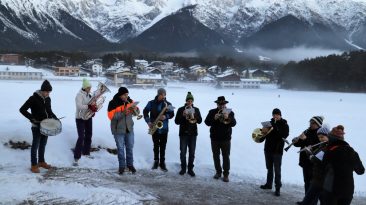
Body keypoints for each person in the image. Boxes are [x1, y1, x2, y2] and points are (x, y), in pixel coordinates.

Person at [19, 80, 58, 173]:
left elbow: (49, 111)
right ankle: (33, 165)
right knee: (35, 146)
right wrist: (32, 118)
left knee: (43, 145)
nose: (48, 94)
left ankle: (41, 162)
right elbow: (22, 109)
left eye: (49, 92)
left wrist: (55, 118)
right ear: (42, 90)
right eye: (46, 92)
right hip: (36, 126)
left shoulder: (48, 99)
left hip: (46, 126)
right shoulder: (33, 98)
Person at [322, 125, 364, 205]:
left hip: (331, 189)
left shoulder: (330, 151)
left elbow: (323, 167)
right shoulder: (352, 152)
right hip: (347, 191)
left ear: (331, 138)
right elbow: (361, 171)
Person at [107, 87, 139, 175]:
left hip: (129, 129)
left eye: (127, 94)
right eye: (125, 95)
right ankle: (121, 166)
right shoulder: (112, 103)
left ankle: (130, 165)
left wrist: (136, 109)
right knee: (120, 149)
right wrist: (122, 113)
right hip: (118, 130)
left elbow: (137, 113)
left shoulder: (130, 101)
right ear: (120, 95)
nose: (126, 96)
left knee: (130, 147)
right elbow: (111, 117)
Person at [204, 96, 236, 182]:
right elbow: (207, 122)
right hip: (214, 138)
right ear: (217, 104)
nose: (221, 105)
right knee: (216, 156)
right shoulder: (212, 112)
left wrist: (227, 117)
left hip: (226, 139)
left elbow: (233, 123)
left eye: (223, 104)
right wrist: (214, 118)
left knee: (226, 157)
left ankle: (226, 174)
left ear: (225, 104)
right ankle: (218, 172)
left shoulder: (230, 112)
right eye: (219, 104)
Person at [259, 108, 289, 196]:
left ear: (280, 115)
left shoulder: (285, 125)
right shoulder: (269, 123)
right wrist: (263, 132)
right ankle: (268, 184)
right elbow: (263, 136)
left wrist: (274, 127)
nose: (275, 116)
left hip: (277, 151)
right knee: (269, 168)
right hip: (268, 149)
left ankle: (278, 188)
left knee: (277, 170)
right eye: (274, 114)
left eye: (277, 114)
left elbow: (284, 135)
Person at [143, 88, 174, 172]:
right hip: (154, 127)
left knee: (163, 146)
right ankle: (156, 161)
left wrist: (165, 116)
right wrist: (148, 121)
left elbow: (172, 114)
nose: (163, 96)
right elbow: (145, 111)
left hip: (164, 128)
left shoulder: (168, 104)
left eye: (164, 94)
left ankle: (162, 162)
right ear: (158, 94)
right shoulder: (151, 103)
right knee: (156, 145)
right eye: (161, 94)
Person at [297, 125, 330, 205]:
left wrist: (309, 153)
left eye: (322, 137)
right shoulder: (322, 144)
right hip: (311, 167)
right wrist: (310, 151)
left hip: (321, 174)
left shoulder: (327, 146)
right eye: (320, 137)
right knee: (308, 184)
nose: (321, 139)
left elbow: (315, 159)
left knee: (317, 191)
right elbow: (316, 156)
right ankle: (307, 201)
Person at [293, 116, 324, 197]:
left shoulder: (320, 134)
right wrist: (295, 141)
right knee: (306, 181)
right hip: (305, 161)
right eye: (310, 122)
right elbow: (299, 143)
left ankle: (311, 202)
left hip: (313, 162)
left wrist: (305, 139)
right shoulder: (307, 131)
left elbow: (316, 146)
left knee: (312, 184)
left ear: (318, 124)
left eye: (313, 123)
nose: (311, 124)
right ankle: (306, 200)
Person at [174, 92, 202, 177]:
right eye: (188, 101)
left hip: (193, 134)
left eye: (191, 101)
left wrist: (195, 116)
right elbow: (176, 122)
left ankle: (190, 169)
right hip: (183, 133)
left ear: (193, 101)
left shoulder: (196, 109)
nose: (190, 102)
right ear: (186, 101)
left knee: (192, 152)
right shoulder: (180, 109)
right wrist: (183, 115)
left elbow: (200, 121)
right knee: (183, 152)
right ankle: (183, 168)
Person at [73, 78, 97, 166]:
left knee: (89, 135)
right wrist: (89, 107)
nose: (90, 89)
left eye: (90, 87)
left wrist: (94, 109)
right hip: (80, 118)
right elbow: (79, 106)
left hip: (88, 117)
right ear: (84, 87)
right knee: (81, 137)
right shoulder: (79, 95)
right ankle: (76, 157)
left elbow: (91, 105)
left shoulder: (89, 95)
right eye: (88, 87)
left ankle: (86, 152)